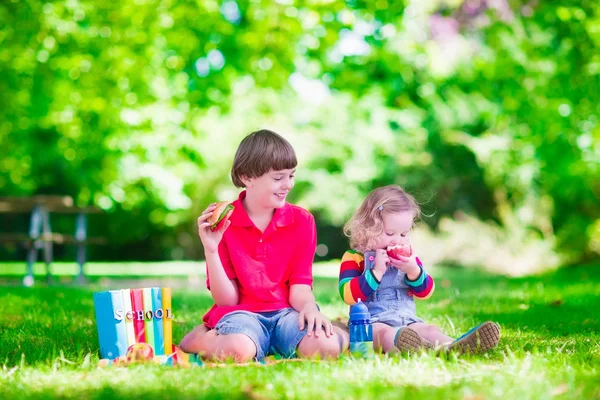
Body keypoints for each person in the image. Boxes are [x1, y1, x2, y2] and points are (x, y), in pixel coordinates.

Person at [180, 129, 348, 362]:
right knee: (237, 352)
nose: (287, 184)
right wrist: (211, 248)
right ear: (247, 176)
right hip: (241, 315)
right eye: (278, 178)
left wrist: (309, 307)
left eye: (291, 175)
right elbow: (227, 300)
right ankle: (200, 338)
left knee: (326, 349)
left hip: (286, 315)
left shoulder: (302, 221)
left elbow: (300, 287)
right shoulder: (223, 223)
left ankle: (340, 330)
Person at [338, 185, 500, 354]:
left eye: (403, 234)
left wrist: (413, 270)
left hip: (407, 321)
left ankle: (457, 346)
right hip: (372, 323)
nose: (397, 241)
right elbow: (349, 295)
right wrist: (376, 273)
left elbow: (426, 292)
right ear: (369, 228)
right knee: (386, 334)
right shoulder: (355, 258)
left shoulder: (409, 258)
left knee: (429, 330)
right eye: (390, 233)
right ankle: (414, 351)